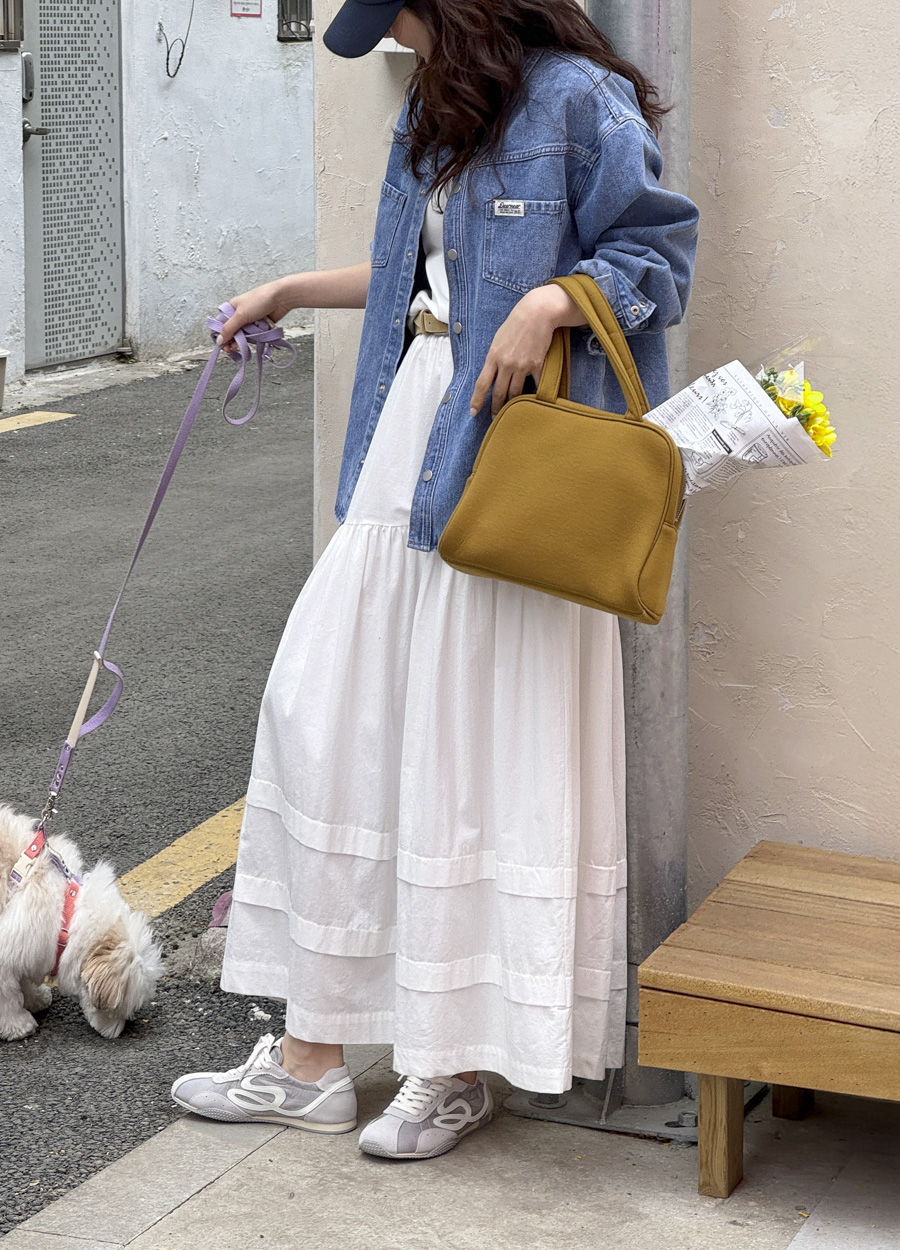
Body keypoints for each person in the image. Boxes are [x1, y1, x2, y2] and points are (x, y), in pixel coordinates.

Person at [171, 0, 699, 1161]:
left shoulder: (578, 101)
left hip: (510, 452)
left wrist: (551, 301)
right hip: (406, 433)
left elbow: (658, 258)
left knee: (470, 743)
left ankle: (449, 1066)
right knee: (334, 717)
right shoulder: (435, 110)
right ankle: (311, 1059)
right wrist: (285, 292)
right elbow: (423, 271)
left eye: (402, 15)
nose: (398, 39)